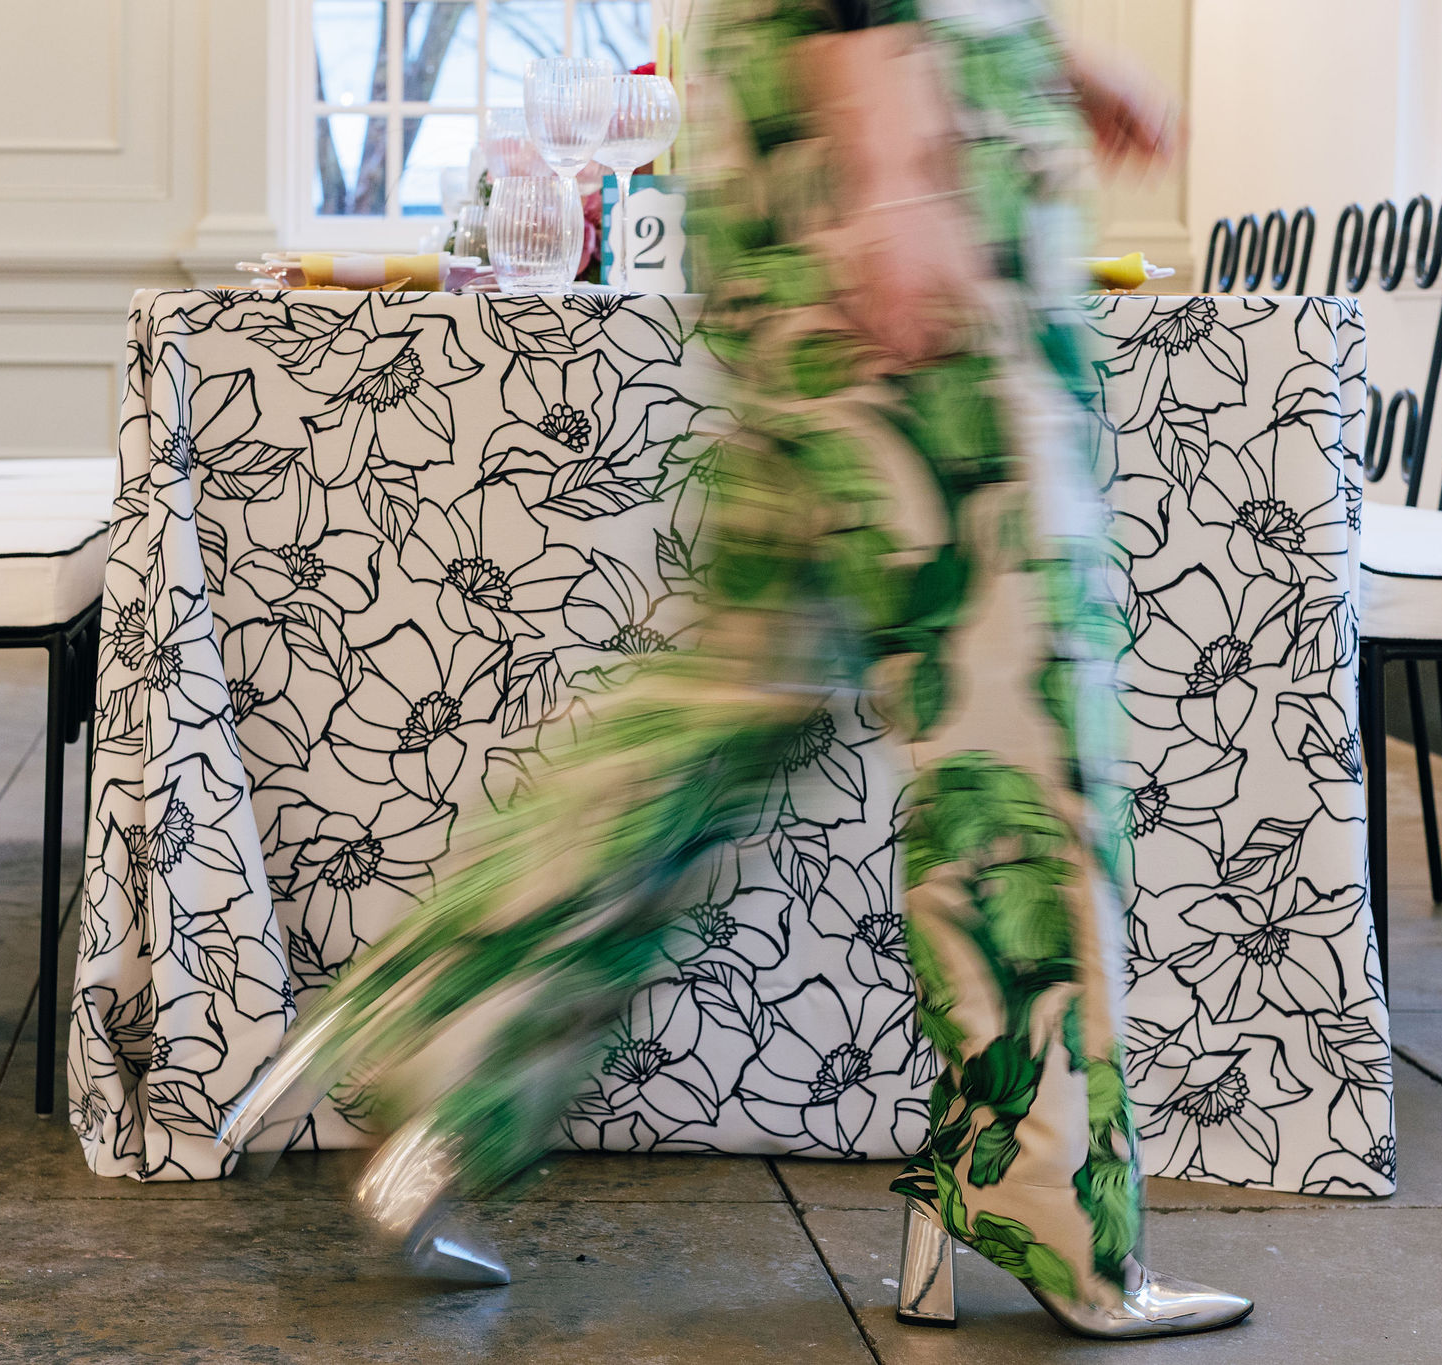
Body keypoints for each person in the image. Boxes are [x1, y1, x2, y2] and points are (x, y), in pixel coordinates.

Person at [223, 0, 1252, 1340]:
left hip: (812, 144)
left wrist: (1036, 60)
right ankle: (1037, 1192)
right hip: (902, 150)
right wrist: (899, 165)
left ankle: (442, 1025)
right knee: (1022, 713)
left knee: (740, 689)